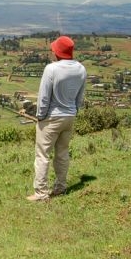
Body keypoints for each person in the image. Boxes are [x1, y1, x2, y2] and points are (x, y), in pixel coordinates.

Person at [27, 35, 87, 201]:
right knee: (62, 153)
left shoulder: (51, 69)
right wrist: (74, 112)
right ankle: (60, 187)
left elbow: (44, 97)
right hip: (70, 116)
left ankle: (41, 193)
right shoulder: (81, 69)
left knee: (42, 155)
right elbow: (79, 98)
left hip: (51, 118)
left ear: (57, 52)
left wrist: (40, 116)